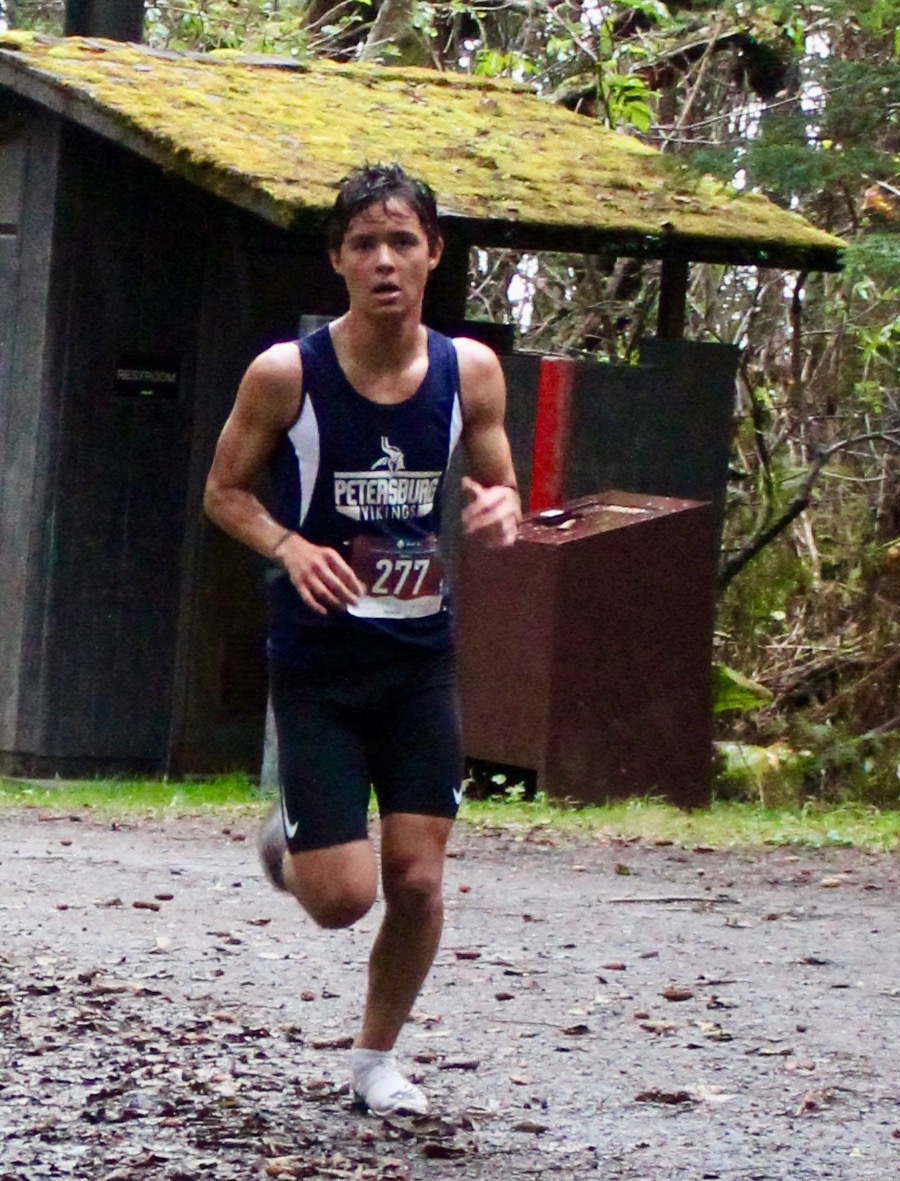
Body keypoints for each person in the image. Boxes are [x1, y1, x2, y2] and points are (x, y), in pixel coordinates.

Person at [203, 164, 519, 1116]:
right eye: (365, 244)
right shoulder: (286, 375)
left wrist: (502, 506)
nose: (385, 261)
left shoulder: (470, 371)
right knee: (343, 898)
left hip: (418, 660)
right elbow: (224, 492)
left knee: (416, 880)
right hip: (320, 665)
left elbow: (503, 480)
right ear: (337, 259)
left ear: (433, 254)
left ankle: (375, 1061)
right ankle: (292, 845)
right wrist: (289, 545)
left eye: (402, 242)